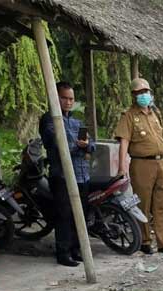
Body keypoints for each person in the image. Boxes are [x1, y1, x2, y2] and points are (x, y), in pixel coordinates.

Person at [114, 78, 163, 256]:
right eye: (140, 92)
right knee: (143, 203)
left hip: (160, 163)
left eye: (146, 92)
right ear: (134, 96)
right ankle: (144, 241)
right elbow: (124, 142)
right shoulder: (128, 116)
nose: (144, 95)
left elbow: (161, 140)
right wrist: (122, 167)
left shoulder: (154, 114)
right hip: (141, 164)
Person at [39, 81, 96, 267]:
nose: (68, 102)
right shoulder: (49, 119)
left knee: (80, 214)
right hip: (62, 175)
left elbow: (92, 144)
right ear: (56, 97)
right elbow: (55, 143)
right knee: (64, 215)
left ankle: (75, 249)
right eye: (64, 98)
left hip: (81, 174)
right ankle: (63, 253)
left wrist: (86, 145)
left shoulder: (76, 121)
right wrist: (77, 147)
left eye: (71, 99)